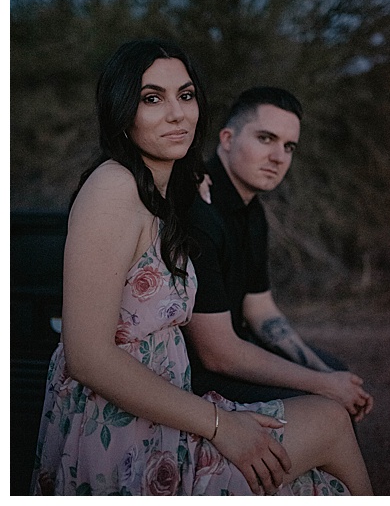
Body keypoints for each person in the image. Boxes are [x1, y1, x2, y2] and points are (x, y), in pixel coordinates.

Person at [31, 39, 372, 495]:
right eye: (152, 98)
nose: (178, 113)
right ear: (121, 110)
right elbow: (88, 357)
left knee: (325, 438)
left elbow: (259, 308)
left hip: (170, 401)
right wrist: (221, 424)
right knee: (329, 422)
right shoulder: (113, 188)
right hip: (121, 423)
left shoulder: (167, 193)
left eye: (186, 95)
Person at [184, 86, 373, 420]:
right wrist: (321, 385)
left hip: (232, 351)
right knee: (323, 402)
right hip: (193, 373)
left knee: (334, 369)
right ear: (227, 139)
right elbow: (216, 354)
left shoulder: (252, 211)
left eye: (288, 147)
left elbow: (259, 309)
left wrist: (323, 373)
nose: (278, 157)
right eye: (265, 138)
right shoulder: (197, 203)